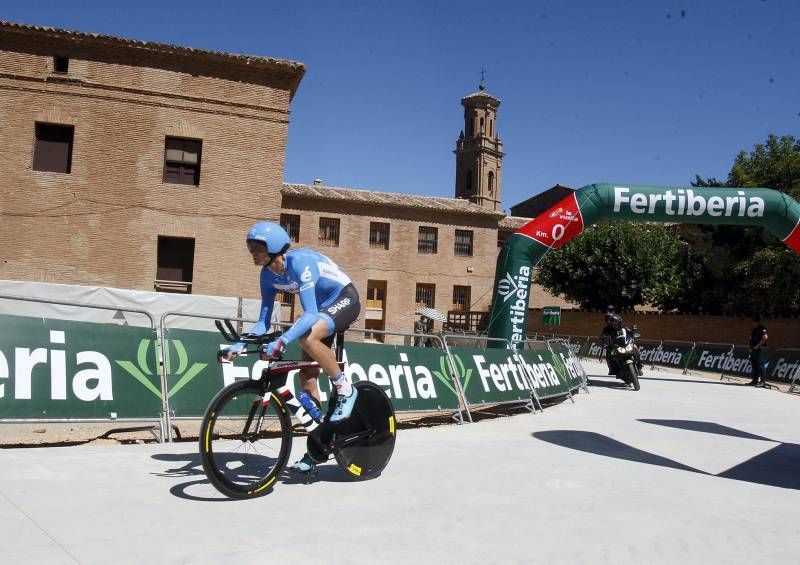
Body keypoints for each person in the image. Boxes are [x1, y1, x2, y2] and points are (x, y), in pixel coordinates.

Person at [219, 221, 361, 472]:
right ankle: (319, 446)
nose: (253, 251)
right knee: (307, 376)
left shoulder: (300, 263)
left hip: (343, 298)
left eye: (258, 247)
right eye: (250, 246)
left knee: (308, 338)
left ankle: (345, 389)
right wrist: (239, 344)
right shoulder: (267, 275)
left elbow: (309, 314)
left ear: (274, 247)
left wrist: (283, 340)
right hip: (321, 309)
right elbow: (263, 322)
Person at [748, 315, 769, 386]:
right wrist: (750, 348)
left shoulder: (762, 329)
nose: (754, 323)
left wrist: (757, 346)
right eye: (753, 322)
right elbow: (751, 339)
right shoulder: (754, 329)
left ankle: (763, 381)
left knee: (761, 365)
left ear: (758, 322)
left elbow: (765, 338)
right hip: (754, 349)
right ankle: (755, 380)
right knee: (754, 365)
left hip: (760, 349)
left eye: (756, 322)